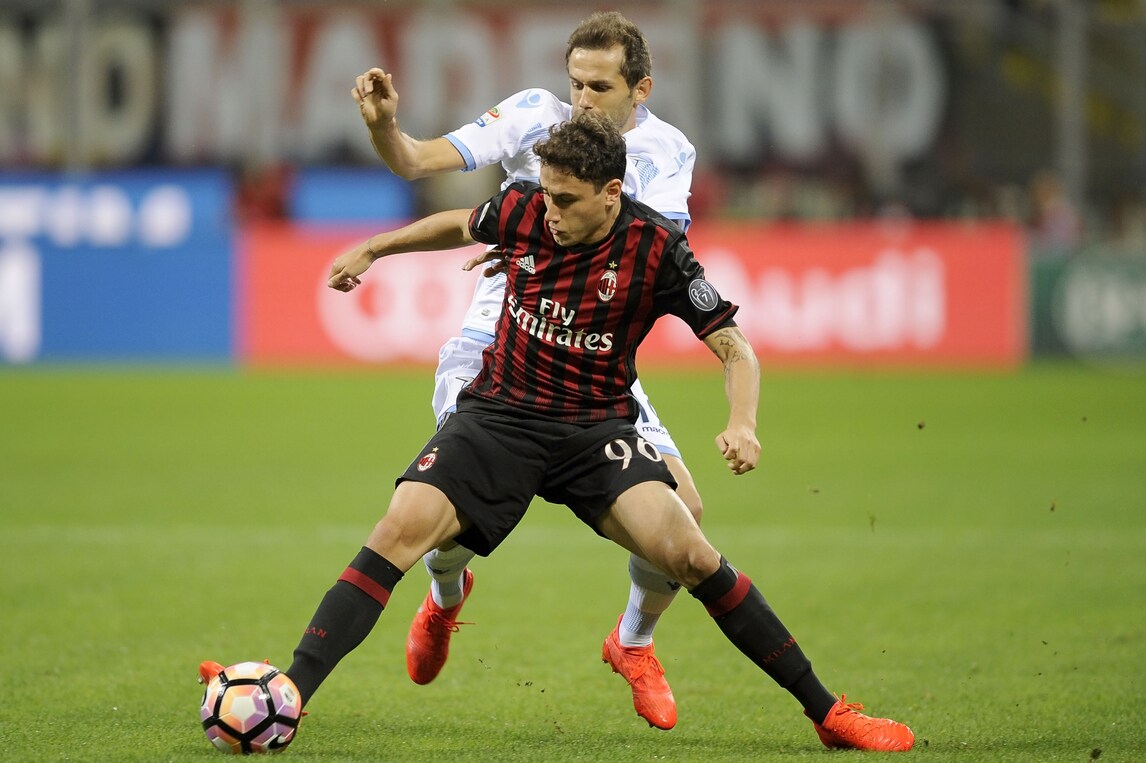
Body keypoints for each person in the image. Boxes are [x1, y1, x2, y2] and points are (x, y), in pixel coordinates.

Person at [202, 112, 915, 753]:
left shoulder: (658, 249)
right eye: (545, 195)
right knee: (397, 529)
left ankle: (828, 713)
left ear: (612, 193)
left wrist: (743, 422)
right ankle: (290, 692)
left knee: (692, 553)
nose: (551, 211)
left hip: (593, 430)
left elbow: (735, 348)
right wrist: (376, 248)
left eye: (567, 200)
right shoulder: (524, 208)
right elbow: (458, 223)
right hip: (499, 416)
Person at [351, 11, 699, 730]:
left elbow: (644, 246)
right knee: (443, 512)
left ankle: (633, 641)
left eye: (600, 87)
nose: (582, 101)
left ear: (641, 89)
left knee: (686, 514)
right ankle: (445, 597)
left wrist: (529, 238)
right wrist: (386, 128)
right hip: (497, 344)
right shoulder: (533, 115)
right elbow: (415, 161)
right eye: (575, 83)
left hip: (593, 359)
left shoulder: (669, 152)